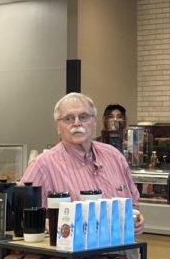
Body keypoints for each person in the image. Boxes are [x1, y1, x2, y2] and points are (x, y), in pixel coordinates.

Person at [21, 92, 143, 233]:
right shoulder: (43, 165)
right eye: (68, 118)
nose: (77, 123)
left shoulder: (115, 157)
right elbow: (23, 216)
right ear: (58, 127)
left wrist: (137, 218)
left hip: (123, 250)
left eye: (83, 117)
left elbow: (133, 205)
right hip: (74, 252)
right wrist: (55, 226)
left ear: (94, 122)